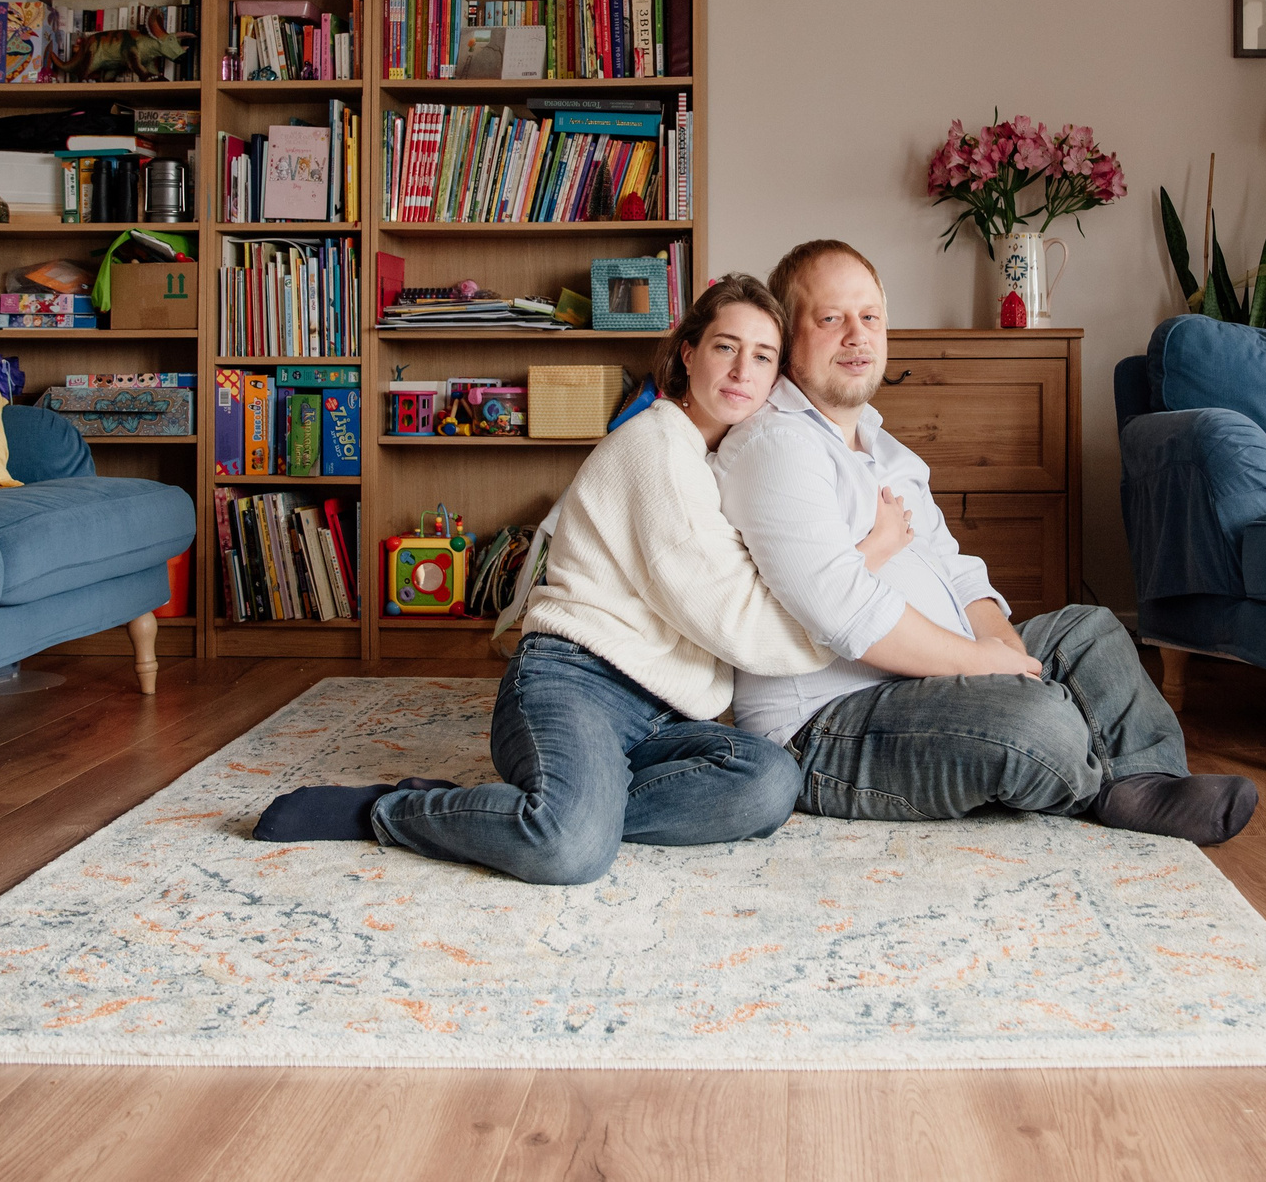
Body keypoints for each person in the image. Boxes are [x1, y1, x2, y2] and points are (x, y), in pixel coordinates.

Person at [251, 274, 914, 883]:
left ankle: (554, 807)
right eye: (726, 347)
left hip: (664, 715)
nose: (744, 371)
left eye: (764, 356)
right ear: (688, 353)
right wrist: (866, 560)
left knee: (767, 783)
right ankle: (391, 811)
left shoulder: (718, 462)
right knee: (567, 849)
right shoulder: (659, 450)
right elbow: (742, 625)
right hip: (573, 683)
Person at [718, 240, 1259, 846]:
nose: (857, 335)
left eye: (869, 317)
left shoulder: (881, 445)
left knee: (1092, 631)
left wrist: (1001, 644)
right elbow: (841, 610)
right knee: (1036, 720)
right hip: (827, 724)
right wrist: (986, 668)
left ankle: (1146, 781)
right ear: (790, 340)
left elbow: (957, 569)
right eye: (830, 318)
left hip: (937, 678)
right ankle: (1096, 781)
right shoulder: (776, 446)